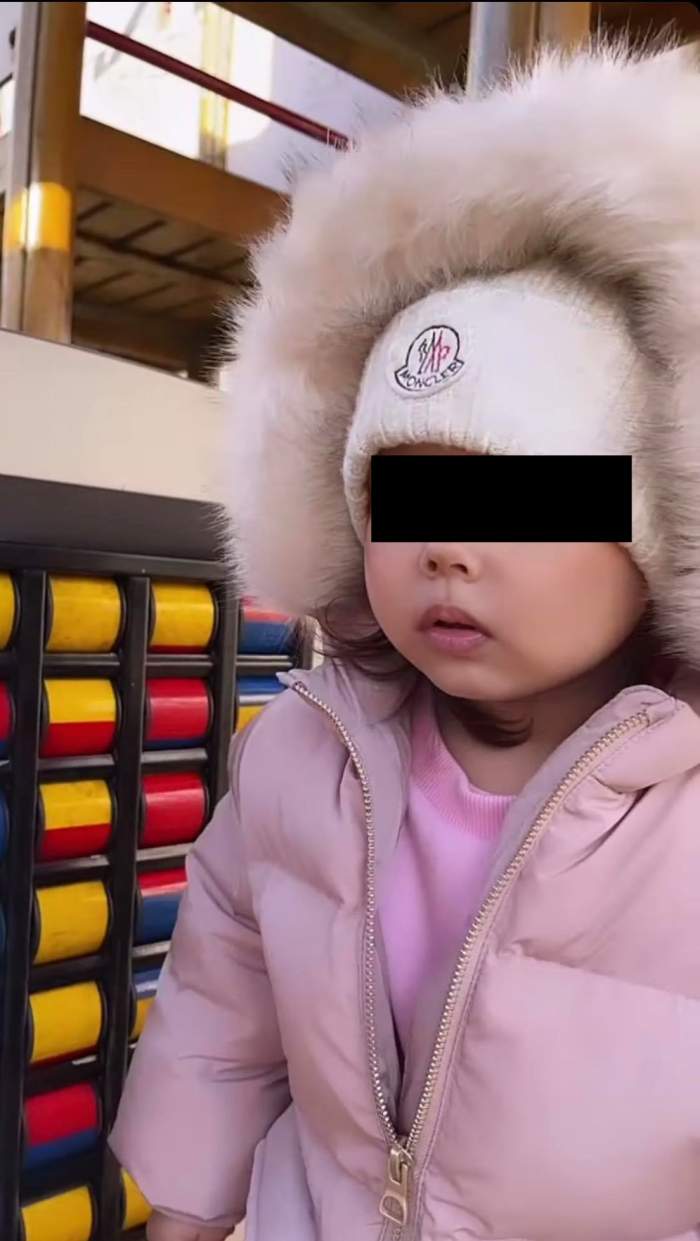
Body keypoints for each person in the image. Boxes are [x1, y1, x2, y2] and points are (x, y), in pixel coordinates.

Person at [110, 37, 700, 1241]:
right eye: (403, 498)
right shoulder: (303, 756)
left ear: (660, 522)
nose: (447, 548)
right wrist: (184, 1206)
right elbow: (222, 997)